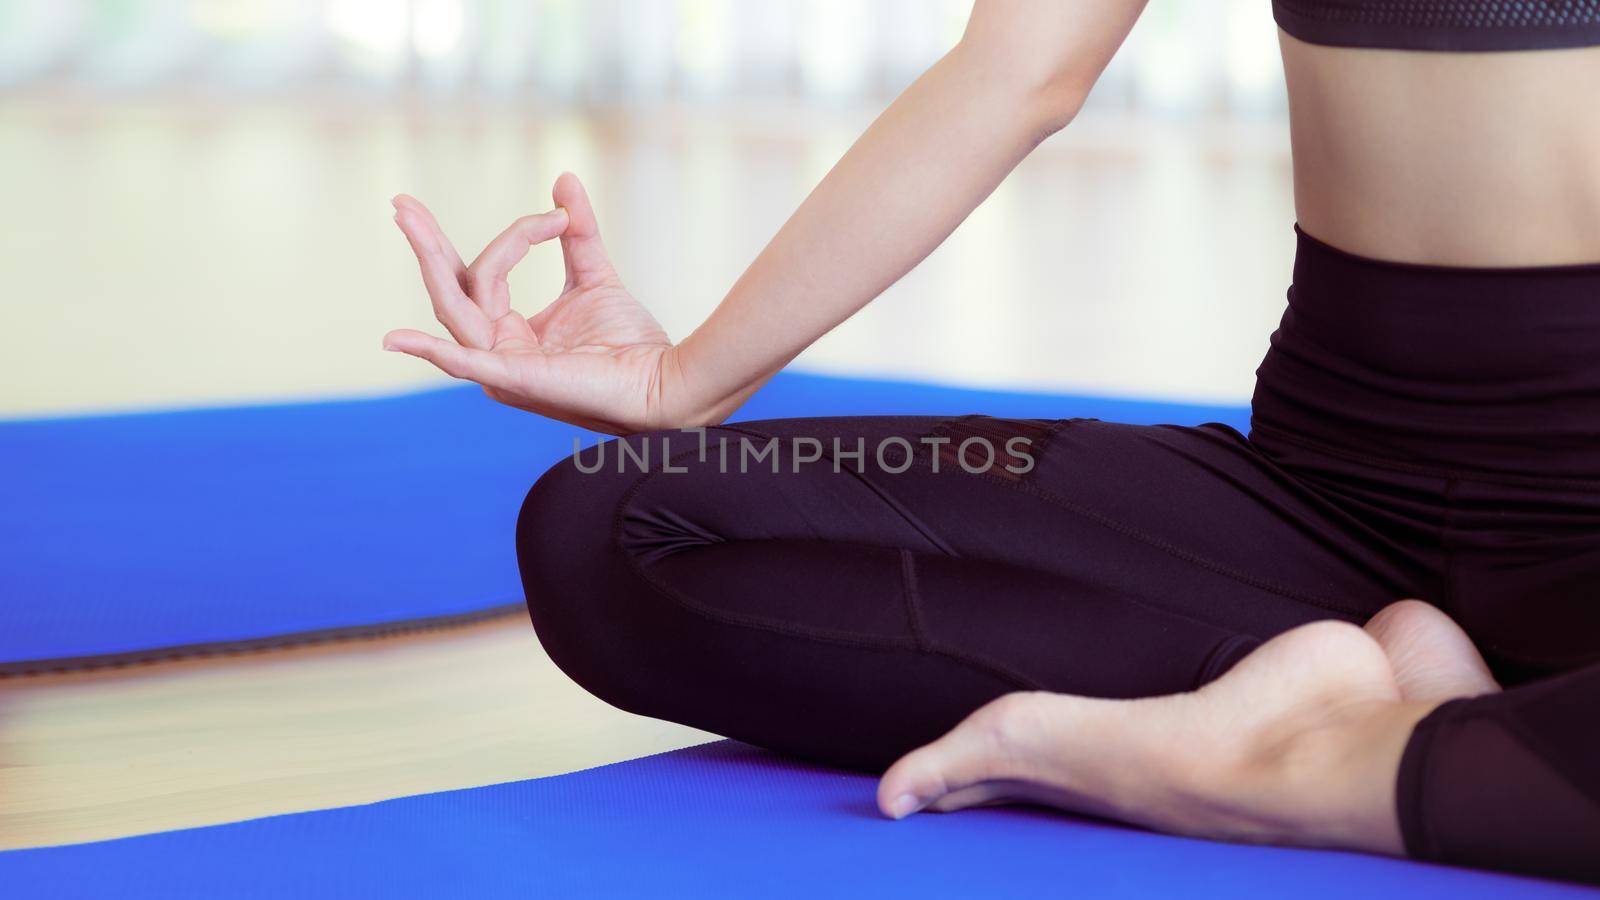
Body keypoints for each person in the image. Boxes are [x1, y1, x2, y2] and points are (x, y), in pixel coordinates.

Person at [384, 1, 1600, 883]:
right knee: (613, 526)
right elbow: (1021, 66)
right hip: (1322, 490)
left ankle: (1334, 753)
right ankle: (1351, 698)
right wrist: (679, 378)